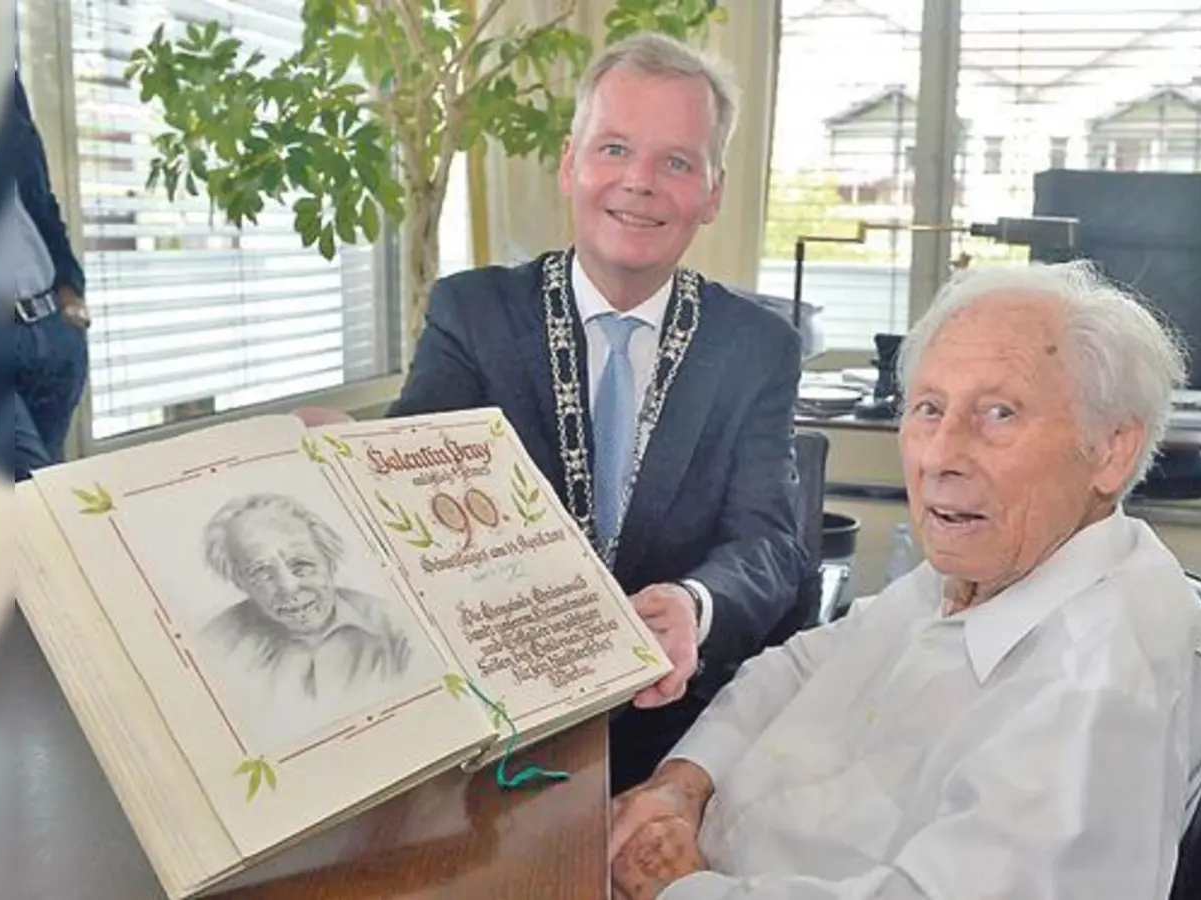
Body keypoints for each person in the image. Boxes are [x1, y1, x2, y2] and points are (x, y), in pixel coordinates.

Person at [607, 261, 1201, 899]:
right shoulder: (982, 567)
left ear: (1112, 450)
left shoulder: (1104, 687)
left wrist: (680, 888)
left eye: (999, 413)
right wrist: (681, 785)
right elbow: (797, 667)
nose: (940, 455)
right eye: (929, 408)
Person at [300, 33, 808, 792]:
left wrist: (696, 606)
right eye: (614, 148)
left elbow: (769, 542)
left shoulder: (758, 346)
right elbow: (413, 471)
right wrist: (349, 463)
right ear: (569, 164)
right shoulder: (472, 314)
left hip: (673, 732)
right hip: (489, 725)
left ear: (713, 194)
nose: (639, 182)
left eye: (676, 162)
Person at [0, 68, 91, 482]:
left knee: (43, 490)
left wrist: (70, 293)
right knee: (39, 495)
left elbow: (41, 204)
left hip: (50, 332)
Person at [200, 493, 417, 702]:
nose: (289, 587)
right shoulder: (214, 646)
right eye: (262, 573)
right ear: (240, 582)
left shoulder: (397, 628)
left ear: (329, 561)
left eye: (302, 565)